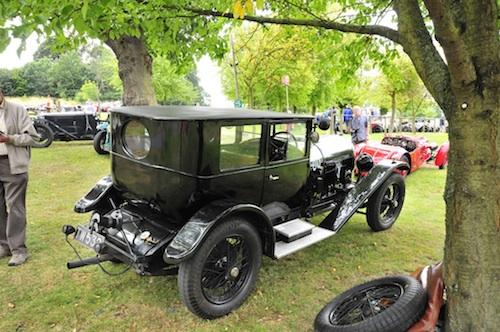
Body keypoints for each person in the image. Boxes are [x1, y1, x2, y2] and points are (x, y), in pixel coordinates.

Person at [0, 88, 38, 266]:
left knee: (15, 207)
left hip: (12, 164)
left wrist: (9, 139)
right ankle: (4, 246)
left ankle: (18, 250)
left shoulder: (17, 110)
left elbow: (32, 138)